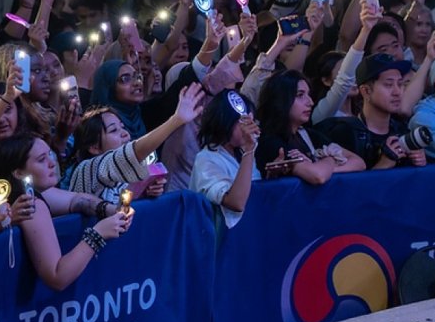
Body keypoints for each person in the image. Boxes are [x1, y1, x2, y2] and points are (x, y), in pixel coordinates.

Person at [0, 135, 132, 291]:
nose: (52, 163)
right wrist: (98, 233)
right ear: (19, 173)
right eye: (42, 159)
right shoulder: (30, 206)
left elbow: (76, 200)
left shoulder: (25, 194)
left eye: (50, 154)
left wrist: (109, 209)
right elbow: (57, 277)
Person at [66, 85, 204, 202]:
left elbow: (123, 208)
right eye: (113, 130)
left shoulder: (130, 173)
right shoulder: (87, 169)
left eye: (122, 127)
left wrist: (146, 191)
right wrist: (176, 120)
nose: (125, 133)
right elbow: (130, 153)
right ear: (94, 147)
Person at [254, 70, 366, 183]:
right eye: (300, 95)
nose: (310, 102)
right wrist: (330, 158)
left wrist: (327, 169)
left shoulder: (308, 134)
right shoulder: (271, 141)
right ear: (280, 99)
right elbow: (318, 176)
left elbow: (359, 163)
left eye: (308, 95)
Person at [316, 54, 421, 170]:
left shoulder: (402, 131)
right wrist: (384, 164)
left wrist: (419, 163)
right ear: (366, 91)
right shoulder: (345, 133)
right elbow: (344, 185)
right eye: (388, 84)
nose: (397, 92)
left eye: (400, 84)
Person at [190, 91, 262, 228]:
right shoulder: (206, 159)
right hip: (217, 240)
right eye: (244, 122)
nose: (250, 128)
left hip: (248, 231)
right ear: (224, 121)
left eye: (253, 121)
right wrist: (249, 150)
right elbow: (236, 202)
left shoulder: (243, 153)